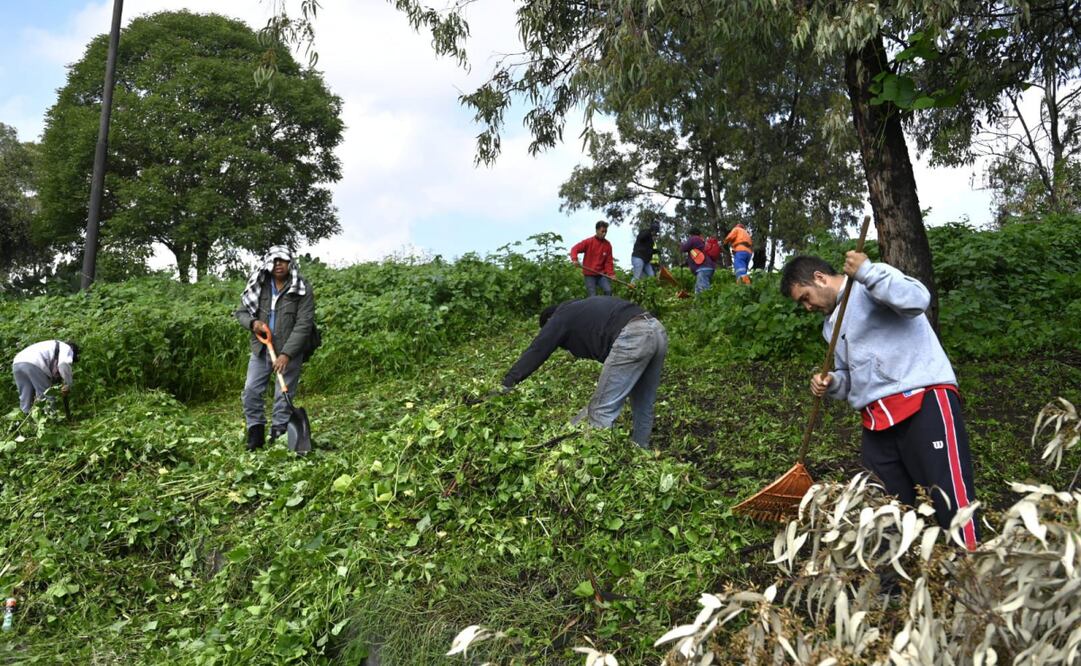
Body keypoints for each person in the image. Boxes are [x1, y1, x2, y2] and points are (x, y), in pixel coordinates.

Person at [780, 252, 978, 550]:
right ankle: (891, 587)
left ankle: (971, 571)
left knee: (947, 493)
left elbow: (917, 300)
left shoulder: (869, 282)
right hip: (877, 418)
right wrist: (833, 382)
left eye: (805, 297)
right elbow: (851, 377)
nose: (807, 307)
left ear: (820, 278)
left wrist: (868, 273)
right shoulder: (830, 325)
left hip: (922, 399)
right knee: (883, 504)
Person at [498, 297, 668, 448]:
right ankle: (641, 450)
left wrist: (508, 382)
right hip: (656, 329)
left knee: (601, 411)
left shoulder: (560, 318)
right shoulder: (581, 309)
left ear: (549, 320)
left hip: (633, 336)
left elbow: (538, 350)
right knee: (643, 403)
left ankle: (595, 461)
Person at [235, 246, 316, 451]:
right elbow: (241, 312)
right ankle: (256, 433)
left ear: (290, 263)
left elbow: (304, 324)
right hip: (262, 348)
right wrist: (253, 324)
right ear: (269, 263)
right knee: (251, 390)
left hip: (290, 349)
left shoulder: (301, 287)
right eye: (275, 260)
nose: (279, 264)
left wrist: (287, 354)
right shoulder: (259, 284)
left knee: (283, 394)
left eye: (283, 260)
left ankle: (278, 433)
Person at [11, 340, 79, 414]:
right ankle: (51, 419)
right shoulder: (67, 348)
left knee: (25, 396)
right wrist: (68, 384)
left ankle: (26, 419)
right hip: (34, 363)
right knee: (47, 394)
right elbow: (64, 364)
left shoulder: (51, 346)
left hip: (17, 362)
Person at [569, 221, 615, 296]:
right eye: (602, 231)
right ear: (596, 230)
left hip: (601, 275)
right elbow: (574, 249)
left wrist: (611, 274)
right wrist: (574, 259)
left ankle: (606, 307)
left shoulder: (608, 245)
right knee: (592, 296)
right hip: (589, 274)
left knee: (608, 291)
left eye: (606, 232)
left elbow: (609, 262)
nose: (604, 234)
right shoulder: (588, 242)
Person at [679, 228, 715, 293]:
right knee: (698, 290)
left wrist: (681, 244)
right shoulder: (699, 243)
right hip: (706, 268)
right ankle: (699, 302)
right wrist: (685, 263)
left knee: (703, 290)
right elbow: (696, 256)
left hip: (703, 268)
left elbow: (684, 248)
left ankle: (706, 302)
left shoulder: (694, 238)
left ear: (691, 234)